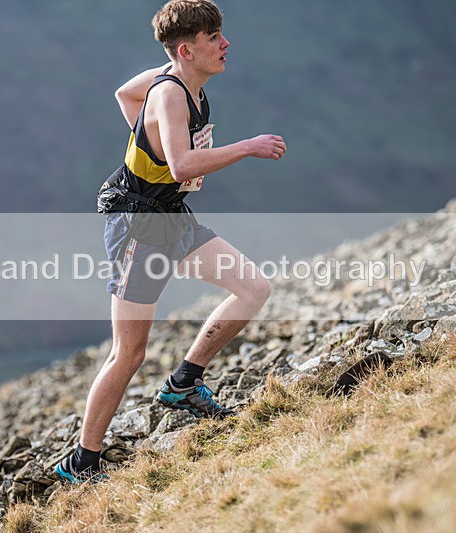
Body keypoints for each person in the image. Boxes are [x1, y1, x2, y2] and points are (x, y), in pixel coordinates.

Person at [55, 0, 286, 483]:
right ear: (187, 50)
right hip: (138, 224)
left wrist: (149, 137)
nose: (226, 44)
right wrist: (249, 147)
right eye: (214, 38)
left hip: (171, 216)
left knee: (253, 288)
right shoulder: (171, 94)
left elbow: (124, 94)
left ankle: (183, 383)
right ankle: (81, 462)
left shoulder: (177, 82)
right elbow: (181, 167)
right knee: (129, 353)